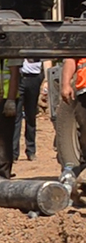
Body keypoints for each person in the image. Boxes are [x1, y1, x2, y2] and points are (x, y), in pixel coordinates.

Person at [55, 57, 86, 194]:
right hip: (84, 91)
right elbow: (70, 58)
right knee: (85, 136)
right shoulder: (80, 37)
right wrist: (66, 84)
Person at [13, 59, 46, 161]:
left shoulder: (40, 44)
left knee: (31, 116)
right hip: (19, 77)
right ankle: (13, 153)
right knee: (15, 118)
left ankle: (31, 151)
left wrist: (46, 81)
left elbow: (47, 60)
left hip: (34, 78)